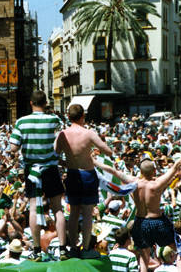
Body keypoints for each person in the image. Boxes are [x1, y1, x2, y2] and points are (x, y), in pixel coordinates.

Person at [97, 135, 181, 272]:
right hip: (157, 222)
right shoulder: (158, 183)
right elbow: (176, 165)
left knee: (143, 258)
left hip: (140, 223)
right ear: (154, 171)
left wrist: (94, 162)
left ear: (141, 172)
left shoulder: (134, 182)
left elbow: (113, 170)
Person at [9, 90, 67, 261]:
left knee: (33, 208)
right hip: (50, 168)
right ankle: (63, 248)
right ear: (45, 103)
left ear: (31, 103)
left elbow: (13, 147)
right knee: (57, 208)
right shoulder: (55, 120)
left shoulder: (21, 122)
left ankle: (36, 250)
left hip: (32, 170)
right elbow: (61, 143)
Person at [55, 104, 113, 258]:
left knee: (73, 213)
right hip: (87, 174)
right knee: (87, 213)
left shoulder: (62, 134)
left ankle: (73, 247)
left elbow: (54, 155)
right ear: (83, 117)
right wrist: (91, 154)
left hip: (72, 173)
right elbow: (108, 150)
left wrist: (66, 163)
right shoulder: (89, 133)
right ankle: (86, 249)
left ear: (68, 117)